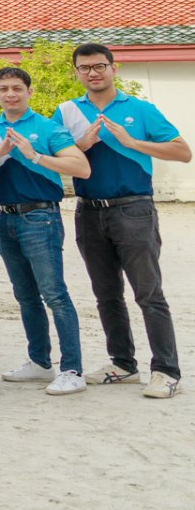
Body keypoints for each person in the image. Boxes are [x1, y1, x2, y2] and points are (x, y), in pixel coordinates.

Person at [59, 42, 190, 398]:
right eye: (85, 67)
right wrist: (82, 144)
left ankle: (166, 371)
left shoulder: (141, 109)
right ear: (76, 72)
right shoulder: (68, 112)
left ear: (114, 68)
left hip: (133, 209)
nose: (93, 73)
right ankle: (122, 364)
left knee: (148, 293)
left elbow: (182, 152)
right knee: (106, 294)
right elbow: (56, 158)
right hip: (88, 211)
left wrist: (132, 143)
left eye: (99, 66)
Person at [0, 65, 90, 396]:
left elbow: (81, 167)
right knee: (25, 294)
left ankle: (72, 369)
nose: (10, 94)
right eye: (4, 89)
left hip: (40, 217)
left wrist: (35, 156)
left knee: (54, 293)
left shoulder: (48, 127)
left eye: (17, 88)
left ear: (29, 92)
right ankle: (40, 362)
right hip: (5, 218)